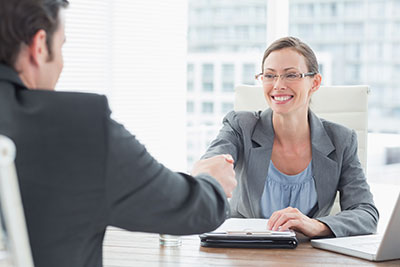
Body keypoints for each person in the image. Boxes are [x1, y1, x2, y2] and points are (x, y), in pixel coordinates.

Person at [0, 0, 237, 266]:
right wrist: (211, 182)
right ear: (40, 45)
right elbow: (192, 210)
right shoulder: (80, 127)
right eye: (62, 45)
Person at [200, 36, 379, 238]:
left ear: (315, 82)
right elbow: (213, 160)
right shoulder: (241, 126)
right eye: (269, 75)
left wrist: (316, 225)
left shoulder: (341, 140)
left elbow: (366, 213)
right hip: (245, 250)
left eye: (291, 75)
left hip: (308, 255)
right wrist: (208, 173)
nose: (278, 85)